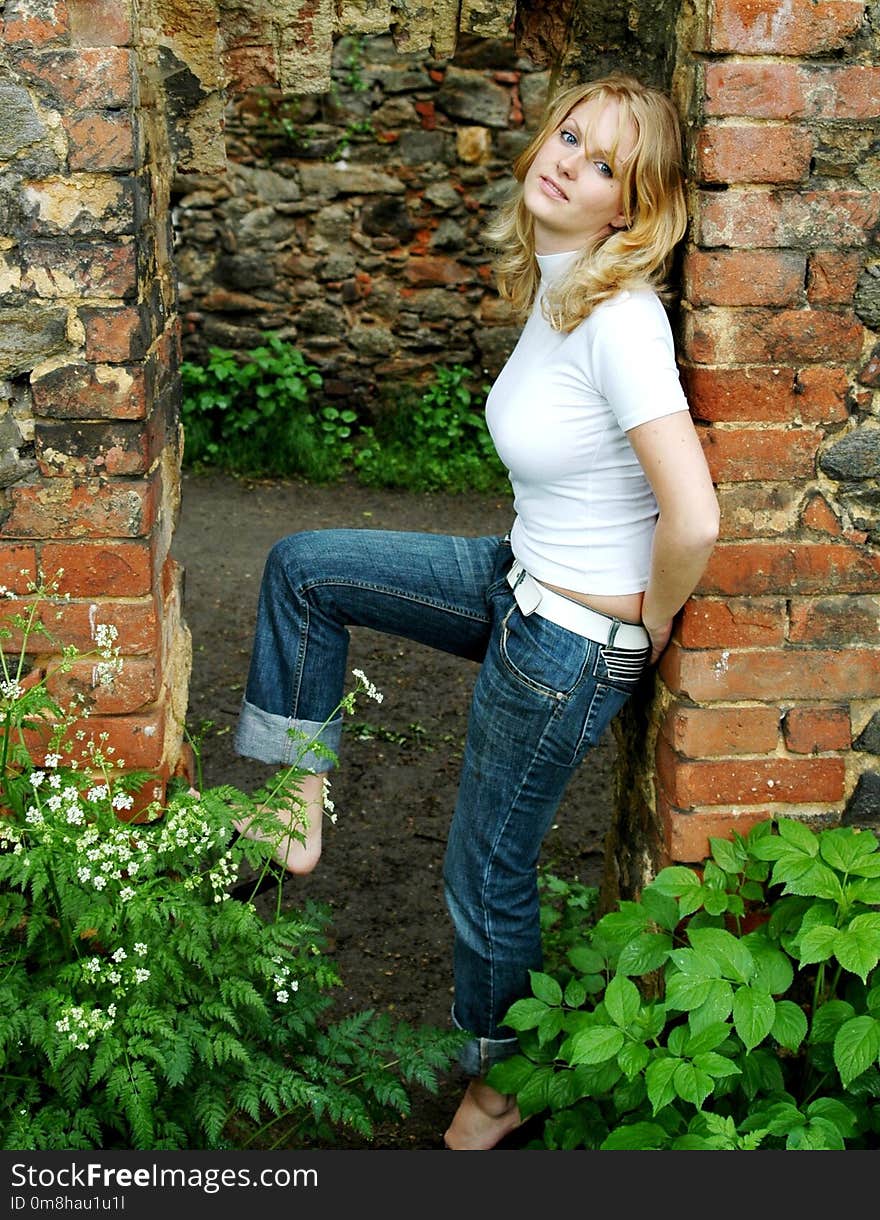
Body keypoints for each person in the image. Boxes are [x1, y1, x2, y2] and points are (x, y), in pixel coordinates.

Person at [232, 73, 720, 1150]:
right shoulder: (565, 287)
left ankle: (498, 1084)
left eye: (605, 164)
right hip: (515, 578)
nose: (569, 160)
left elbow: (692, 515)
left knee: (483, 867)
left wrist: (650, 627)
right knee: (306, 566)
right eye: (570, 134)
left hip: (567, 639)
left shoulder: (622, 322)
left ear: (628, 208)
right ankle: (293, 798)